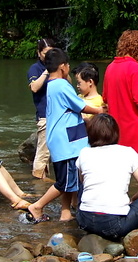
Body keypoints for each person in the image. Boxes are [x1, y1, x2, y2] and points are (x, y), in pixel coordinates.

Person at [26, 48, 105, 223]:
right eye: (67, 65)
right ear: (63, 66)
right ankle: (37, 206)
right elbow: (81, 106)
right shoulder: (62, 85)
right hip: (66, 142)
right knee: (63, 182)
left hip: (63, 138)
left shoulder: (52, 84)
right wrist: (99, 110)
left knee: (70, 180)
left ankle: (65, 212)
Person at [76, 114, 138, 239]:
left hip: (84, 220)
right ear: (115, 133)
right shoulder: (128, 152)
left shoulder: (84, 153)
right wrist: (134, 199)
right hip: (114, 225)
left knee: (84, 183)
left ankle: (92, 232)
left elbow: (83, 182)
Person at [102, 30, 138, 172]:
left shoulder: (110, 68)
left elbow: (106, 100)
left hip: (119, 135)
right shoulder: (136, 67)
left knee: (122, 180)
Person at [27, 38, 57, 181]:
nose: (48, 56)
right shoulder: (35, 68)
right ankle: (38, 181)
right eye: (46, 53)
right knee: (43, 152)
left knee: (54, 151)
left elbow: (69, 84)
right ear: (39, 53)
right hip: (45, 115)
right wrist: (47, 71)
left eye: (52, 53)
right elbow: (34, 87)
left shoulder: (57, 67)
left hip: (59, 114)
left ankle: (44, 180)